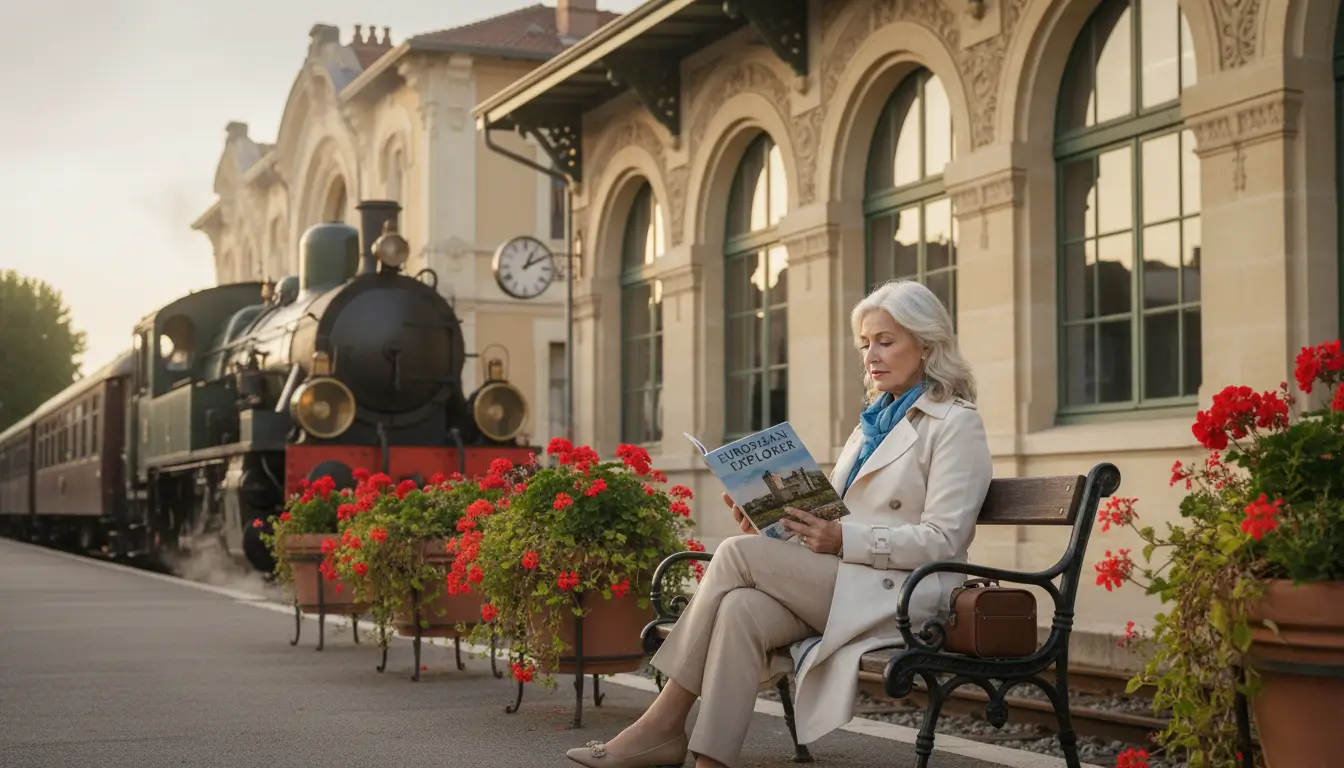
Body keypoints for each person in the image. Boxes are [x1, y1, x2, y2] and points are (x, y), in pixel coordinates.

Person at [564, 280, 993, 768]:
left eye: (886, 341)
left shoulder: (956, 423)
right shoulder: (870, 425)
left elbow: (944, 538)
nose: (872, 355)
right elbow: (832, 519)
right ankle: (710, 760)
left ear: (927, 344)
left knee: (732, 555)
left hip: (903, 593)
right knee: (741, 608)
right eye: (865, 343)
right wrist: (772, 524)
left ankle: (662, 723)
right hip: (849, 580)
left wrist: (840, 538)